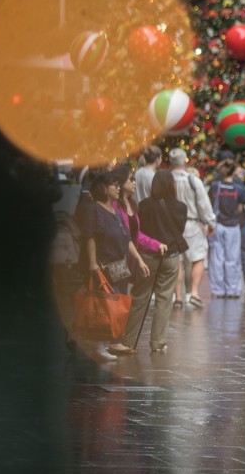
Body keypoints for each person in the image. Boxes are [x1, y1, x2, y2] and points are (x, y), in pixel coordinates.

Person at [80, 171, 149, 362]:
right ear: (103, 188)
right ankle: (97, 344)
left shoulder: (116, 212)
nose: (118, 187)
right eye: (114, 185)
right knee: (102, 305)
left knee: (116, 304)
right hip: (103, 266)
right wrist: (93, 263)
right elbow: (90, 237)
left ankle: (109, 341)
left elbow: (127, 239)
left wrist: (139, 260)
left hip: (120, 267)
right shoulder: (95, 209)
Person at [120, 169, 187, 354]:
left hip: (148, 257)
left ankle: (129, 340)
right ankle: (158, 343)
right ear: (172, 185)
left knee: (140, 298)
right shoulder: (181, 207)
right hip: (171, 257)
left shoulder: (144, 205)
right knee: (164, 300)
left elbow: (139, 231)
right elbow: (179, 230)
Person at [170, 148, 217, 308]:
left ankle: (178, 297)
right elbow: (204, 204)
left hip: (171, 226)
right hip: (191, 225)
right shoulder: (192, 180)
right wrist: (210, 223)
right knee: (197, 257)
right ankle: (194, 293)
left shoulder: (165, 180)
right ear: (184, 162)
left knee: (177, 261)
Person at [208, 158, 245, 298]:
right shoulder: (238, 189)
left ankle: (218, 290)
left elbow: (211, 203)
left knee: (217, 258)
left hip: (218, 225)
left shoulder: (215, 186)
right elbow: (242, 205)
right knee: (233, 259)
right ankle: (232, 290)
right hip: (233, 226)